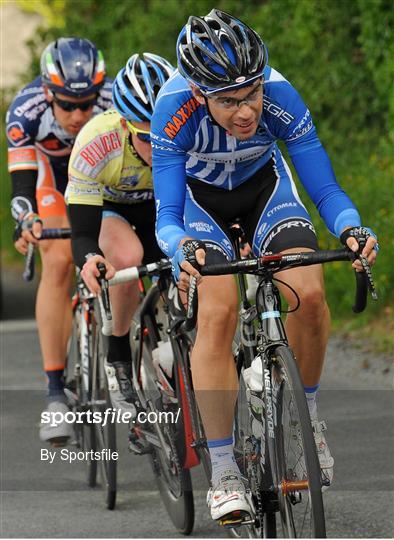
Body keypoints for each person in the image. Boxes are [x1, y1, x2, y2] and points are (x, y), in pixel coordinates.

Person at [151, 9, 378, 523]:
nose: (246, 110)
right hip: (199, 206)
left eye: (251, 93)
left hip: (266, 192)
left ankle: (306, 423)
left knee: (312, 294)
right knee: (217, 312)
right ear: (197, 93)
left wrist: (351, 227)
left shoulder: (280, 96)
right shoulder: (171, 110)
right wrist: (180, 249)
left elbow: (323, 187)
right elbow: (166, 216)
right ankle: (226, 469)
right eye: (228, 101)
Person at [7, 37, 112, 445]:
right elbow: (21, 184)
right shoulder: (25, 110)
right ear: (48, 93)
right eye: (67, 104)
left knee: (121, 252)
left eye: (86, 103)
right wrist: (26, 219)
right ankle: (55, 395)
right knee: (59, 257)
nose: (78, 113)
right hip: (52, 178)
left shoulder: (112, 102)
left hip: (100, 175)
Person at [66, 53, 174, 411]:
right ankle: (118, 351)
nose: (158, 147)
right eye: (146, 136)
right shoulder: (96, 142)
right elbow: (82, 233)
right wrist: (90, 257)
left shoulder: (190, 131)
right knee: (127, 259)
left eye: (165, 132)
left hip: (160, 204)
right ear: (126, 124)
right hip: (109, 206)